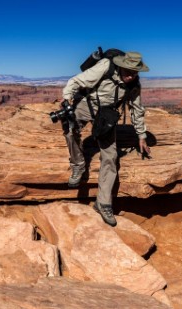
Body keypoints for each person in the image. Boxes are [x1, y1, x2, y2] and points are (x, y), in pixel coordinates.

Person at [62, 51, 151, 226]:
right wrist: (67, 98)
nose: (131, 76)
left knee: (110, 156)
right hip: (88, 104)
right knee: (70, 129)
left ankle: (103, 203)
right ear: (122, 66)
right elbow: (76, 81)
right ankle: (78, 165)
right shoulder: (106, 66)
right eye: (129, 72)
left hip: (107, 114)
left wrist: (141, 135)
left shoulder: (134, 84)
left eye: (135, 73)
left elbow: (136, 110)